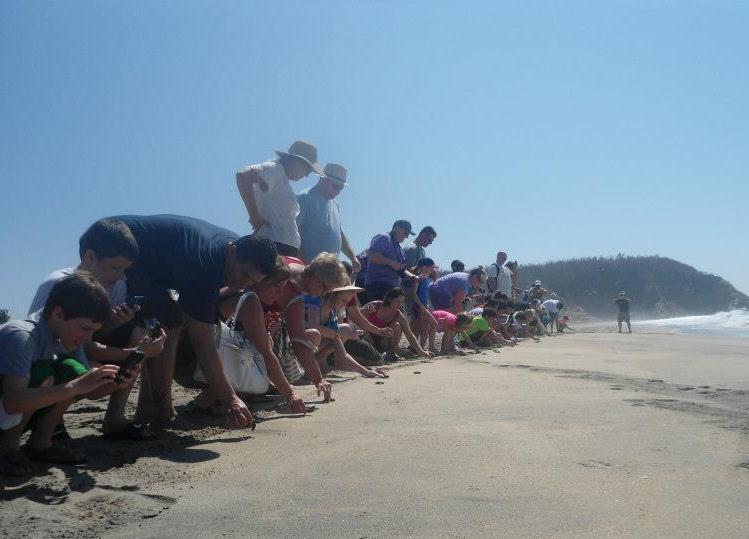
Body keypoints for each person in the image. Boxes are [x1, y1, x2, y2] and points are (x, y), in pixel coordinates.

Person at [111, 214, 278, 430]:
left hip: (156, 265)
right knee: (149, 330)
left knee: (170, 322)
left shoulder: (239, 250)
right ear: (232, 251)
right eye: (244, 274)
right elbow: (203, 343)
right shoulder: (206, 264)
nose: (243, 284)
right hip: (120, 244)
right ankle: (118, 417)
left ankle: (153, 408)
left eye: (252, 282)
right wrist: (230, 399)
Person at [28, 218, 166, 441]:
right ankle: (49, 424)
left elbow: (91, 334)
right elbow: (55, 343)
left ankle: (115, 418)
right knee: (80, 372)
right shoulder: (59, 285)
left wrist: (116, 323)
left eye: (124, 269)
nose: (121, 276)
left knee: (138, 334)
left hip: (79, 348)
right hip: (51, 358)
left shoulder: (116, 285)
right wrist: (135, 354)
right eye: (116, 267)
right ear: (90, 257)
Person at [0, 274, 133, 476]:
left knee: (69, 370)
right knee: (44, 373)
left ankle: (41, 444)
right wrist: (77, 385)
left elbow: (87, 390)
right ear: (59, 314)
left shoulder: (63, 335)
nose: (88, 337)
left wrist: (116, 382)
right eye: (85, 328)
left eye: (93, 331)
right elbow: (12, 401)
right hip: (9, 407)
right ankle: (7, 449)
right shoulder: (22, 335)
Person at [214, 262, 307, 413]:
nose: (279, 294)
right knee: (264, 346)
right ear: (260, 280)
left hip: (193, 353)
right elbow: (266, 353)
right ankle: (212, 399)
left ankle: (213, 397)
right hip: (198, 361)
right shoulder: (250, 300)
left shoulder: (236, 290)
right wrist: (290, 395)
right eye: (276, 287)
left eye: (282, 289)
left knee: (264, 341)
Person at [262, 253, 349, 402]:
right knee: (267, 339)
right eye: (326, 289)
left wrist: (318, 380)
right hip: (240, 319)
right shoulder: (291, 289)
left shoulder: (297, 266)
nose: (324, 294)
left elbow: (298, 337)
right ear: (316, 279)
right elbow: (298, 340)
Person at [236, 140, 324, 256]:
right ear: (296, 161)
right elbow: (243, 175)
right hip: (274, 245)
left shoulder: (281, 176)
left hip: (281, 246)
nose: (307, 175)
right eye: (308, 169)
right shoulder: (275, 169)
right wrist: (254, 215)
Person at [306, 284, 388, 379]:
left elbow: (343, 355)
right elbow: (313, 326)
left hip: (314, 347)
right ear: (333, 295)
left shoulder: (331, 315)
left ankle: (315, 366)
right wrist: (336, 334)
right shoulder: (315, 300)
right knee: (319, 334)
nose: (344, 305)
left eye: (347, 302)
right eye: (343, 301)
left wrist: (367, 372)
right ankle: (310, 368)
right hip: (298, 345)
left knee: (342, 332)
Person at [296, 163, 361, 272]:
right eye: (336, 186)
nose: (339, 191)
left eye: (341, 187)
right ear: (323, 179)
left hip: (328, 273)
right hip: (308, 272)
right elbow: (291, 236)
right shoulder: (304, 198)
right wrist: (307, 265)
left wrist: (352, 257)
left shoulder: (335, 204)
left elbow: (339, 233)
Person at [359, 288, 433, 362]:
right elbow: (355, 315)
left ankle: (392, 353)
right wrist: (364, 311)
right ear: (390, 299)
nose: (400, 304)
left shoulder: (398, 315)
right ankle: (371, 354)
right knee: (364, 330)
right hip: (368, 339)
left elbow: (410, 335)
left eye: (401, 302)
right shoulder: (375, 305)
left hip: (383, 342)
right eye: (397, 301)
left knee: (397, 325)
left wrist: (421, 351)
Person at [363, 220, 416, 301]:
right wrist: (392, 263)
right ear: (397, 228)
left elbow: (401, 268)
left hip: (392, 288)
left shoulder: (399, 248)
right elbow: (372, 255)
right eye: (406, 233)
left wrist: (413, 277)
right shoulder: (384, 238)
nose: (407, 236)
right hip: (378, 284)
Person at [403, 258, 438, 351]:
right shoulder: (419, 278)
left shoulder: (426, 278)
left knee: (424, 328)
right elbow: (413, 294)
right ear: (424, 267)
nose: (433, 269)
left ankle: (421, 348)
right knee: (434, 324)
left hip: (423, 306)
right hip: (419, 306)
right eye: (431, 267)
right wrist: (422, 306)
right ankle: (430, 348)